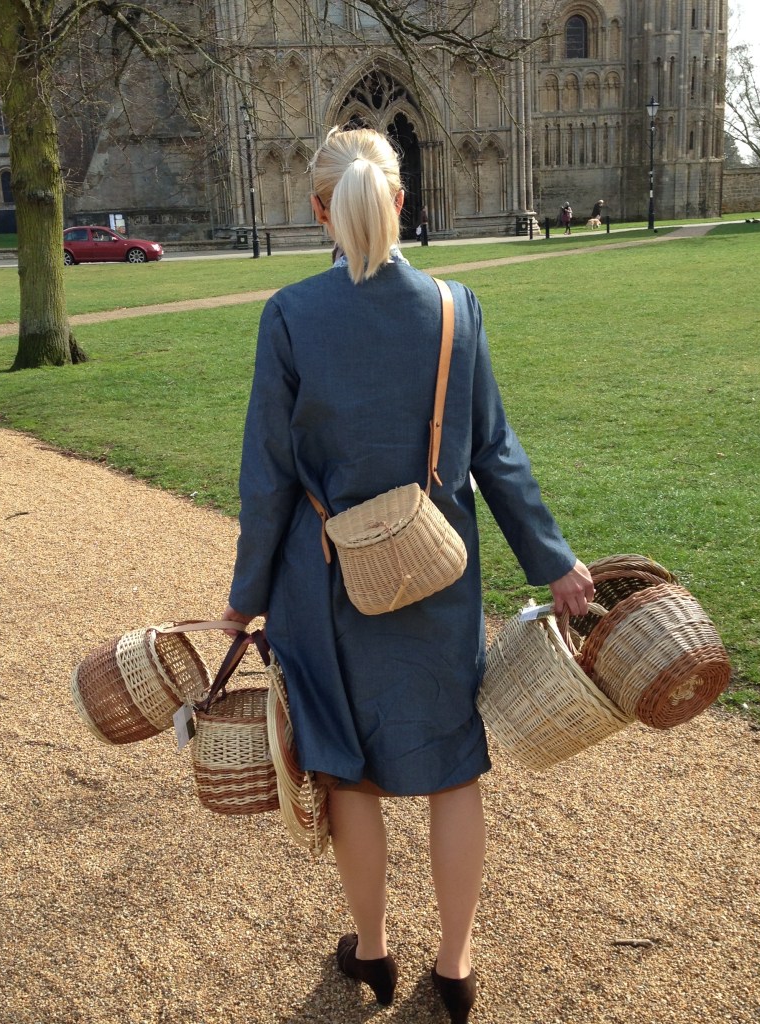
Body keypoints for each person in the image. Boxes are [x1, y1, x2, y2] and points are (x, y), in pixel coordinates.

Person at [220, 126, 593, 1024]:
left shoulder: (290, 315)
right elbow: (496, 454)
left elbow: (268, 477)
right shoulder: (456, 308)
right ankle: (457, 967)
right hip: (436, 576)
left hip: (326, 584)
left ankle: (375, 953)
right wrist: (557, 562)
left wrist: (243, 601)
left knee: (352, 775)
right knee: (453, 768)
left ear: (318, 211)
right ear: (400, 198)